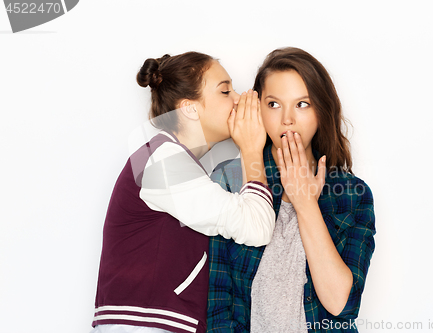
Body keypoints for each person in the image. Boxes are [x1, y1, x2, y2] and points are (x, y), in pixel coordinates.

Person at [91, 52, 276, 333]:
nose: (238, 99)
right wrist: (251, 148)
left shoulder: (171, 161)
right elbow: (257, 227)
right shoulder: (162, 161)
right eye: (225, 90)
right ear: (189, 108)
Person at [207, 47, 376, 332]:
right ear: (257, 108)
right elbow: (218, 307)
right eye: (274, 104)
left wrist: (305, 202)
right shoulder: (228, 180)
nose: (287, 119)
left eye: (302, 104)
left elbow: (341, 305)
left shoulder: (352, 194)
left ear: (321, 111)